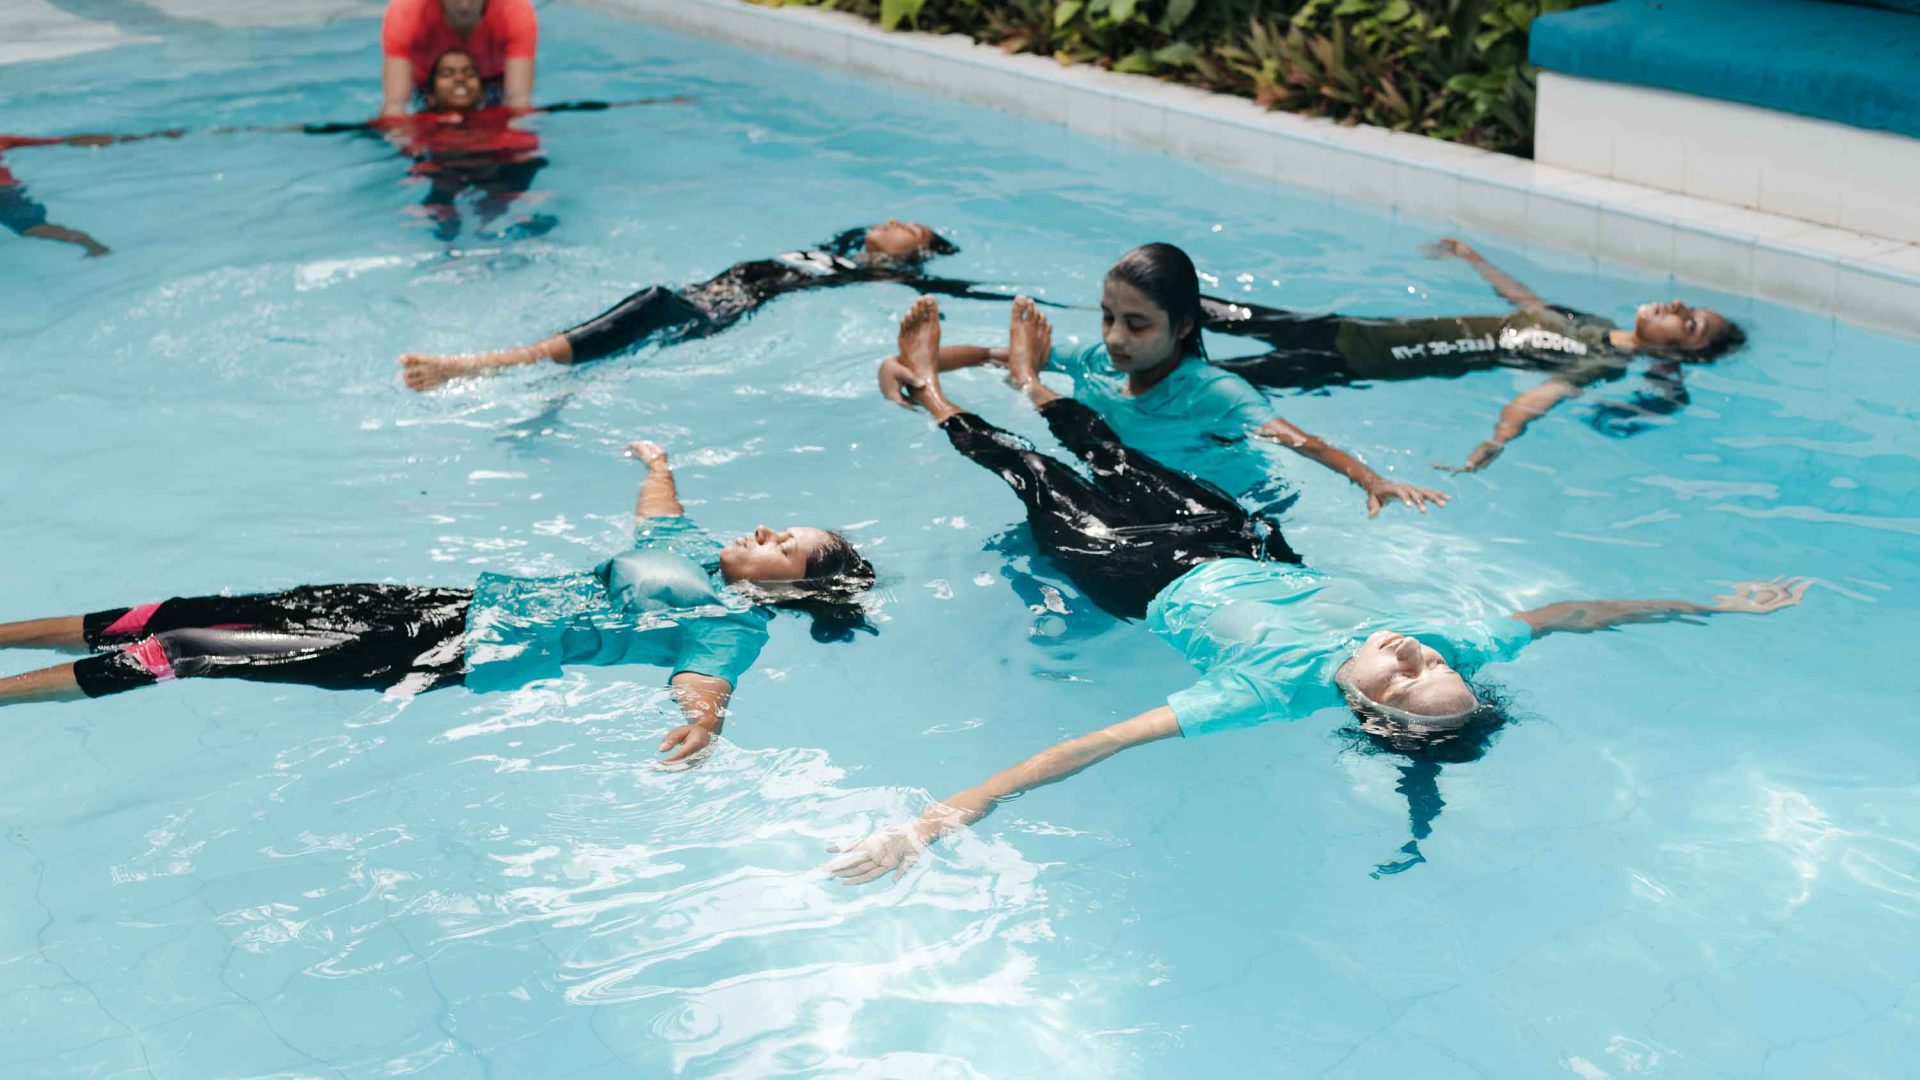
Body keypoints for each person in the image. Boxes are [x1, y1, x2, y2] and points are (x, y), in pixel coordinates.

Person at [820, 294, 1809, 884]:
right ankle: (1037, 386)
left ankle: (934, 391)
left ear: (1367, 710)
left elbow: (1087, 748)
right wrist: (1716, 603)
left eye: (1409, 675)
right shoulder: (1437, 640)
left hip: (1138, 576)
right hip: (1237, 544)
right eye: (1435, 662)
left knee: (1036, 479)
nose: (1421, 652)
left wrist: (937, 819)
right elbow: (1567, 615)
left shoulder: (1263, 693)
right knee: (1114, 447)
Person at [0, 442, 875, 763]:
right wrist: (657, 466)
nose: (764, 529)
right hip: (441, 601)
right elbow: (663, 514)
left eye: (783, 544)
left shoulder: (732, 627)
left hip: (455, 655)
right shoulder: (687, 547)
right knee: (192, 606)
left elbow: (704, 685)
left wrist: (704, 722)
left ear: (795, 586)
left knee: (192, 646)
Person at [878, 243, 1449, 517]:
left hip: (1228, 499)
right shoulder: (1098, 362)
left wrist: (1370, 479)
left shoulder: (1216, 392)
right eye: (1108, 318)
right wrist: (906, 366)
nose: (1115, 338)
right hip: (1121, 475)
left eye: (1136, 324)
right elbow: (985, 354)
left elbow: (1306, 443)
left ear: (1182, 328)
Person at [1197, 238, 1748, 472]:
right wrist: (1473, 258)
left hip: (1366, 362)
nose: (1677, 304)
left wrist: (1497, 440)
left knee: (1206, 382)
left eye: (1690, 321)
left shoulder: (1603, 364)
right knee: (1207, 309)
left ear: (1680, 350)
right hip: (1353, 330)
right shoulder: (1595, 327)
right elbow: (1523, 302)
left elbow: (1541, 397)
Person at [400, 219, 1021, 391]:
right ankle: (557, 384)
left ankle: (474, 365)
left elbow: (952, 289)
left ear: (912, 256)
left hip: (711, 308)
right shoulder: (837, 249)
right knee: (610, 346)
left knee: (644, 307)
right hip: (707, 298)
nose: (893, 220)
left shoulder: (870, 274)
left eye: (909, 227)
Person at [0, 130, 181, 256]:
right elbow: (69, 141)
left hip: (5, 194)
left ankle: (89, 244)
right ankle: (88, 243)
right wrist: (140, 137)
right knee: (31, 228)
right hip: (10, 192)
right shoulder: (3, 139)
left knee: (31, 229)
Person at [382, 0, 538, 117]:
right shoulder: (406, 12)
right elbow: (395, 105)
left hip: (493, 84)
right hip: (429, 88)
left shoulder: (515, 11)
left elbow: (518, 100)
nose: (465, 4)